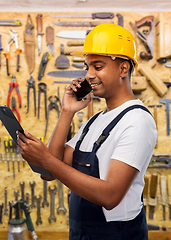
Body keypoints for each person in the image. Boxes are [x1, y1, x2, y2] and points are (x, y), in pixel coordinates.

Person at [17, 23, 157, 240]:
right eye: (87, 67)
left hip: (115, 235)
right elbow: (48, 173)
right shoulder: (94, 121)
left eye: (98, 66)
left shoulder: (137, 121)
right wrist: (67, 112)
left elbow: (110, 196)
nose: (89, 75)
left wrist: (46, 159)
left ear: (123, 69)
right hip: (83, 233)